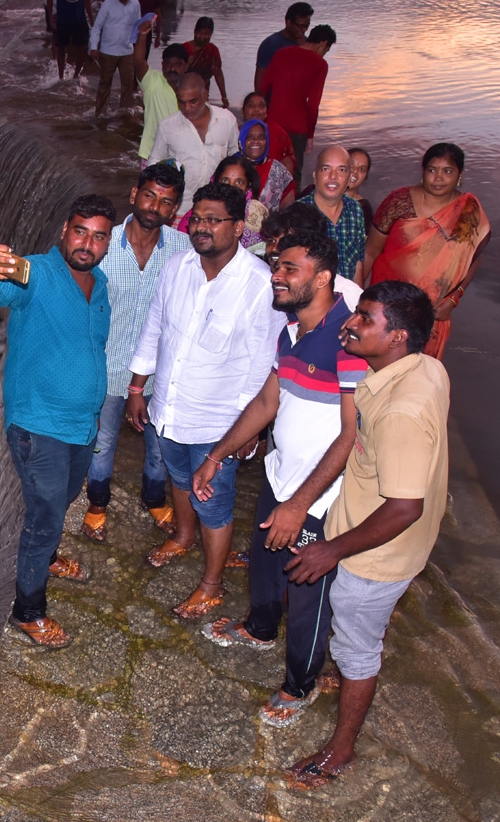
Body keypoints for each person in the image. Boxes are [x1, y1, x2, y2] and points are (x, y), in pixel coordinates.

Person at [196, 230, 368, 726]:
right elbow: (268, 402)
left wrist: (300, 506)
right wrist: (218, 455)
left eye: (290, 268)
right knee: (267, 563)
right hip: (280, 473)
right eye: (277, 265)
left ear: (323, 277)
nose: (276, 275)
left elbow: (351, 435)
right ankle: (260, 627)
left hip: (320, 493)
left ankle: (300, 683)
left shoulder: (347, 340)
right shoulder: (290, 331)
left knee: (308, 589)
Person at [283, 280, 447, 789]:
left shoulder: (401, 411)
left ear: (397, 336)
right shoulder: (427, 367)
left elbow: (403, 507)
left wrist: (330, 550)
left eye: (365, 319)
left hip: (373, 559)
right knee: (356, 639)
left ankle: (341, 749)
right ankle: (354, 669)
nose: (350, 323)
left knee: (357, 642)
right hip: (368, 537)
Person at [126, 182, 286, 619]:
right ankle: (182, 536)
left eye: (213, 220)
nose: (201, 227)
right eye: (197, 218)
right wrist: (138, 387)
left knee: (214, 502)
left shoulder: (258, 285)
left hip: (218, 425)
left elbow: (262, 367)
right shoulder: (178, 266)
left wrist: (245, 433)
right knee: (180, 480)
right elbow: (154, 326)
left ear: (238, 228)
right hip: (169, 411)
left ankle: (212, 585)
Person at [0, 195, 118, 648]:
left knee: (66, 497)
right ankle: (28, 612)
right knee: (46, 515)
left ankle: (48, 556)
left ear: (107, 243)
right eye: (80, 231)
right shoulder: (35, 272)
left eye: (98, 236)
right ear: (63, 232)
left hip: (80, 424)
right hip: (38, 424)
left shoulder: (102, 284)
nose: (87, 243)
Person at [82, 164, 190, 542]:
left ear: (174, 209)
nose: (154, 206)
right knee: (103, 442)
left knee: (160, 444)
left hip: (161, 373)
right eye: (149, 195)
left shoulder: (183, 249)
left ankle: (154, 497)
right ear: (133, 194)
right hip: (109, 368)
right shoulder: (103, 243)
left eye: (166, 202)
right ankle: (96, 504)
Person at [364, 143, 490, 360]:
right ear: (423, 172)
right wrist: (358, 297)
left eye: (448, 171)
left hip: (434, 310)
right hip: (387, 303)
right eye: (432, 170)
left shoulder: (468, 210)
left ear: (460, 175)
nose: (438, 178)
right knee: (375, 364)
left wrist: (454, 299)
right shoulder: (399, 201)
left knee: (416, 373)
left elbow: (473, 257)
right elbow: (371, 252)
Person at [146, 72, 240, 214]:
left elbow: (236, 159)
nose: (187, 108)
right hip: (180, 209)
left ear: (205, 95)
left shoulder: (227, 120)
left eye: (193, 101)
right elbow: (154, 161)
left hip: (219, 207)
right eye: (182, 102)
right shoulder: (167, 126)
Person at [259, 23, 336, 182]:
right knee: (293, 174)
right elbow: (313, 104)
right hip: (298, 127)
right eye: (327, 50)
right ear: (323, 43)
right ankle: (291, 206)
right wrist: (310, 135)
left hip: (273, 122)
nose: (325, 54)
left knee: (267, 168)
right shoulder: (320, 65)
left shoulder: (281, 54)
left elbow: (263, 87)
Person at [261, 203, 363, 308]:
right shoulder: (263, 279)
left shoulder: (347, 295)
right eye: (271, 241)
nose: (274, 248)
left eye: (285, 242)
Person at [298, 146, 366, 286]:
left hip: (347, 299)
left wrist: (357, 300)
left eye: (341, 170)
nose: (333, 177)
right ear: (315, 175)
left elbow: (358, 263)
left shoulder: (355, 210)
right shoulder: (298, 213)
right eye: (326, 169)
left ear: (348, 179)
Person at [131, 19, 186, 169]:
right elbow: (138, 61)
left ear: (186, 66)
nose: (172, 68)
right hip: (152, 155)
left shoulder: (191, 89)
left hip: (181, 156)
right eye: (168, 63)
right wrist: (142, 36)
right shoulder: (153, 82)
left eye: (178, 64)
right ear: (162, 65)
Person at [89, 0, 140, 115]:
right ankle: (99, 113)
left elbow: (138, 26)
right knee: (105, 83)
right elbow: (97, 27)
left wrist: (137, 47)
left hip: (127, 51)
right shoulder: (107, 5)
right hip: (108, 51)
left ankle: (124, 112)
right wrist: (94, 47)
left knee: (128, 84)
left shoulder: (135, 4)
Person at [212, 155, 268, 254]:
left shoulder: (256, 211)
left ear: (248, 187)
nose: (231, 187)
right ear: (215, 182)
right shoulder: (203, 209)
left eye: (239, 182)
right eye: (225, 180)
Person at [238, 119, 296, 214]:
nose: (255, 141)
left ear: (267, 140)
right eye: (249, 136)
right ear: (242, 140)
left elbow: (289, 210)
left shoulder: (279, 171)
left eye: (261, 137)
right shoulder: (231, 166)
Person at [254, 1, 313, 92]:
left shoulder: (307, 43)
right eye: (299, 26)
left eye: (306, 26)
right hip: (273, 101)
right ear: (288, 22)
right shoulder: (271, 44)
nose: (304, 29)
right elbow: (260, 78)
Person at [241, 92, 295, 174]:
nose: (256, 109)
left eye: (261, 105)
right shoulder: (236, 132)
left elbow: (287, 160)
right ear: (243, 112)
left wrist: (279, 183)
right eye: (251, 105)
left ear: (266, 112)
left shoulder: (277, 132)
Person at [181, 16, 229, 109]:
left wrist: (224, 97)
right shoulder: (184, 49)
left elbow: (217, 73)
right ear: (195, 32)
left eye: (206, 34)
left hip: (203, 94)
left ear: (211, 34)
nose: (202, 37)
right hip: (184, 93)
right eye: (200, 33)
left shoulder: (212, 50)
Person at [346, 147, 374, 230]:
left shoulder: (363, 209)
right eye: (351, 165)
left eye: (362, 169)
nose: (355, 171)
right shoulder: (315, 195)